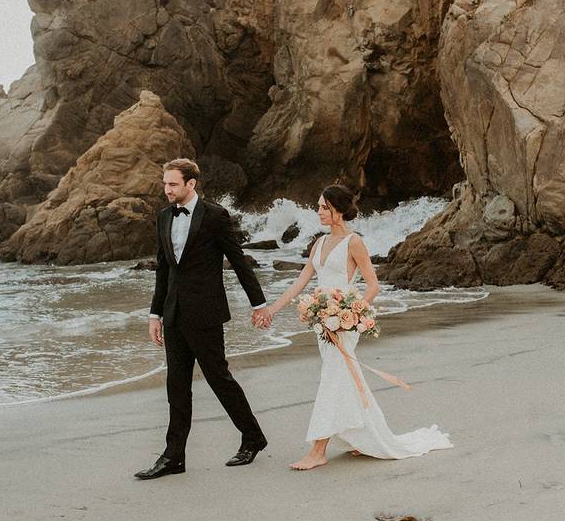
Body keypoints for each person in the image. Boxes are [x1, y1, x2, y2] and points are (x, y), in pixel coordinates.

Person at [264, 185, 453, 470]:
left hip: (344, 323)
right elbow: (300, 282)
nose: (318, 211)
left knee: (333, 378)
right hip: (322, 322)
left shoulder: (354, 242)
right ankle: (361, 437)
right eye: (318, 206)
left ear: (338, 210)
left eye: (323, 207)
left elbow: (373, 285)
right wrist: (271, 310)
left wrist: (351, 314)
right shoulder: (318, 243)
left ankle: (318, 449)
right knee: (344, 379)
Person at [135, 158, 273, 480]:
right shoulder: (162, 218)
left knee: (218, 379)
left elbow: (238, 261)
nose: (166, 189)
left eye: (172, 184)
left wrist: (259, 304)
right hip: (173, 314)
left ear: (190, 184)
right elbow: (164, 270)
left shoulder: (214, 216)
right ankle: (174, 457)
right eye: (165, 183)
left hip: (205, 313)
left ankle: (253, 437)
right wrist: (155, 314)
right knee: (176, 386)